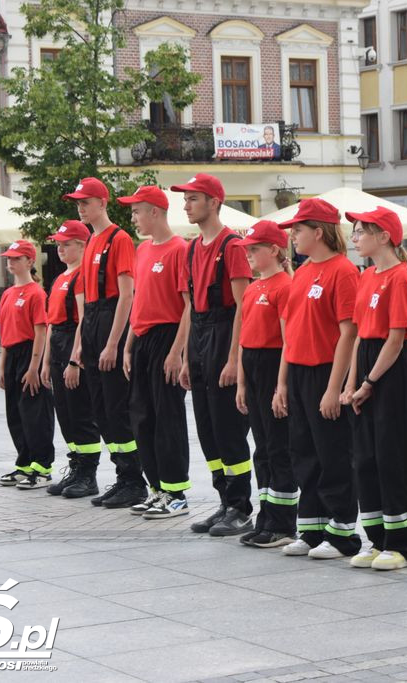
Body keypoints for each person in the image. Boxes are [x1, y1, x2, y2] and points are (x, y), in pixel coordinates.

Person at [278, 198, 362, 560]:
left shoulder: (343, 271)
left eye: (298, 229)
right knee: (303, 453)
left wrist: (334, 386)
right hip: (297, 372)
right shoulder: (303, 272)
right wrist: (282, 383)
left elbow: (349, 332)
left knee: (333, 455)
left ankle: (342, 531)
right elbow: (291, 332)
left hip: (323, 371)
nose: (292, 236)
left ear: (318, 231)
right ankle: (311, 528)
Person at [172, 173, 254, 537]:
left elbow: (242, 308)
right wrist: (188, 357)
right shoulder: (191, 249)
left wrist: (234, 359)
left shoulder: (232, 246)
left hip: (224, 333)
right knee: (207, 429)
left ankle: (240, 506)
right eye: (185, 199)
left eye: (193, 199)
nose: (186, 205)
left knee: (228, 427)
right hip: (201, 335)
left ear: (214, 202)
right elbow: (189, 308)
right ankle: (224, 501)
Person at [343, 206, 407, 571]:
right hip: (368, 365)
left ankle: (401, 544)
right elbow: (359, 335)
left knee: (393, 455)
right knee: (365, 457)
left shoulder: (401, 278)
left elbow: (395, 338)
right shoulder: (367, 276)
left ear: (384, 236)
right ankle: (376, 538)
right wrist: (350, 383)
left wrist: (370, 382)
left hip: (391, 370)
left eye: (360, 231)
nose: (354, 238)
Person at [65, 177, 147, 509]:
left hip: (113, 319)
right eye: (78, 202)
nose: (80, 207)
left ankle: (134, 480)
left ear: (102, 203)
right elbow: (86, 304)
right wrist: (83, 345)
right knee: (101, 410)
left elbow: (127, 294)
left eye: (86, 201)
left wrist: (113, 343)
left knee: (117, 407)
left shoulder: (119, 239)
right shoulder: (91, 242)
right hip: (94, 322)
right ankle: (122, 475)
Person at [116, 186, 192, 519]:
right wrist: (128, 346)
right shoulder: (142, 250)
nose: (133, 218)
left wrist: (177, 352)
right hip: (143, 338)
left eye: (136, 211)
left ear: (155, 212)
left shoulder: (180, 249)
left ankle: (176, 493)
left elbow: (188, 307)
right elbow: (140, 302)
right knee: (141, 417)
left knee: (167, 417)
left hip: (167, 337)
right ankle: (157, 489)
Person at [235, 220, 298, 548]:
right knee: (262, 448)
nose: (248, 254)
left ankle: (284, 522)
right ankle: (266, 516)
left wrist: (281, 386)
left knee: (278, 447)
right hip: (253, 367)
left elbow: (288, 341)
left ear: (274, 250)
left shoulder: (284, 286)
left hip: (273, 365)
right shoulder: (252, 288)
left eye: (254, 249)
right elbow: (245, 340)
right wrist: (241, 384)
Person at [40, 220, 103, 499]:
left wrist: (75, 360)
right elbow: (51, 323)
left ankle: (88, 475)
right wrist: (45, 361)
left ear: (82, 245)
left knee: (80, 413)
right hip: (57, 345)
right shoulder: (59, 278)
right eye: (58, 244)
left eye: (67, 244)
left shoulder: (82, 277)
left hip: (72, 344)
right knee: (65, 414)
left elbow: (83, 319)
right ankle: (76, 467)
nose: (60, 249)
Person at [0, 240, 55, 489]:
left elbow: (41, 331)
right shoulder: (8, 294)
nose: (11, 262)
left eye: (17, 258)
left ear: (30, 262)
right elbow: (4, 333)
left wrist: (34, 367)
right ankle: (25, 463)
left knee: (35, 413)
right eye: (9, 258)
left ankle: (42, 467)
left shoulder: (36, 293)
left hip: (30, 353)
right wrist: (2, 366)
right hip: (12, 355)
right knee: (16, 413)